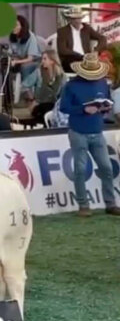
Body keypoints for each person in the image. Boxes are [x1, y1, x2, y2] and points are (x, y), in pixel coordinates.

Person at [59, 53, 118, 217]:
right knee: (80, 169)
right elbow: (64, 107)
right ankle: (83, 205)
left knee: (106, 167)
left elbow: (107, 100)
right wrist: (83, 109)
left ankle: (110, 203)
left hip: (97, 131)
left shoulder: (102, 83)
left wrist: (105, 109)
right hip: (78, 132)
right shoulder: (71, 86)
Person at [56, 6, 107, 70]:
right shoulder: (62, 31)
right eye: (74, 18)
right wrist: (79, 55)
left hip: (87, 60)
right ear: (69, 20)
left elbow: (102, 38)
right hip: (71, 59)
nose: (77, 21)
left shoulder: (86, 28)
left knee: (101, 65)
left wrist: (96, 51)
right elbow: (62, 50)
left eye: (79, 18)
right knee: (74, 62)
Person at [9, 15, 42, 105]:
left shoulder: (30, 37)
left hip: (36, 62)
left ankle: (28, 94)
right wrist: (13, 59)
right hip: (22, 61)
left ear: (22, 26)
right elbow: (14, 53)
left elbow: (30, 58)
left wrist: (16, 61)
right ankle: (16, 94)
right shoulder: (13, 37)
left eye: (16, 25)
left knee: (25, 67)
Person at [30, 50, 65, 127]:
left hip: (55, 105)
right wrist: (32, 99)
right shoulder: (38, 72)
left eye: (45, 59)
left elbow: (63, 94)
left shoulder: (62, 76)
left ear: (52, 61)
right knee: (45, 110)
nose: (42, 61)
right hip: (40, 104)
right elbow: (24, 86)